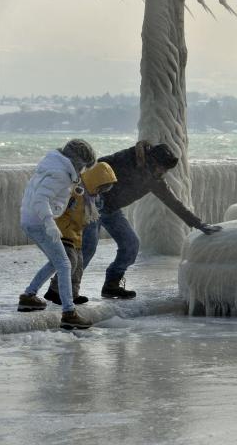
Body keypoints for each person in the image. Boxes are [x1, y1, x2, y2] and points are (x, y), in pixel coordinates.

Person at [82, 141, 221, 299]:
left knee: (131, 245)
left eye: (166, 170)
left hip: (111, 210)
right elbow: (95, 167)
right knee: (87, 248)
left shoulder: (154, 180)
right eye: (162, 167)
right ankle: (61, 288)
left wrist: (199, 224)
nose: (163, 172)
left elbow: (174, 203)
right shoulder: (127, 158)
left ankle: (111, 285)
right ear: (152, 161)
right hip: (92, 205)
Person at [17, 139, 96, 330]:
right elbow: (40, 199)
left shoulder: (55, 165)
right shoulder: (60, 174)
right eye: (84, 167)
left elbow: (48, 192)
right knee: (64, 263)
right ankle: (69, 313)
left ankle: (29, 297)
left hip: (30, 220)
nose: (83, 171)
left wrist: (69, 191)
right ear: (77, 162)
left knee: (56, 261)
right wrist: (49, 223)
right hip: (39, 223)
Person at [43, 162, 118, 307]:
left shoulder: (89, 198)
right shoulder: (75, 192)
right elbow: (59, 211)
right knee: (69, 263)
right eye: (100, 187)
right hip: (64, 232)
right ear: (94, 181)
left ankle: (73, 293)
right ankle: (55, 291)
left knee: (78, 265)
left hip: (76, 235)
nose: (100, 192)